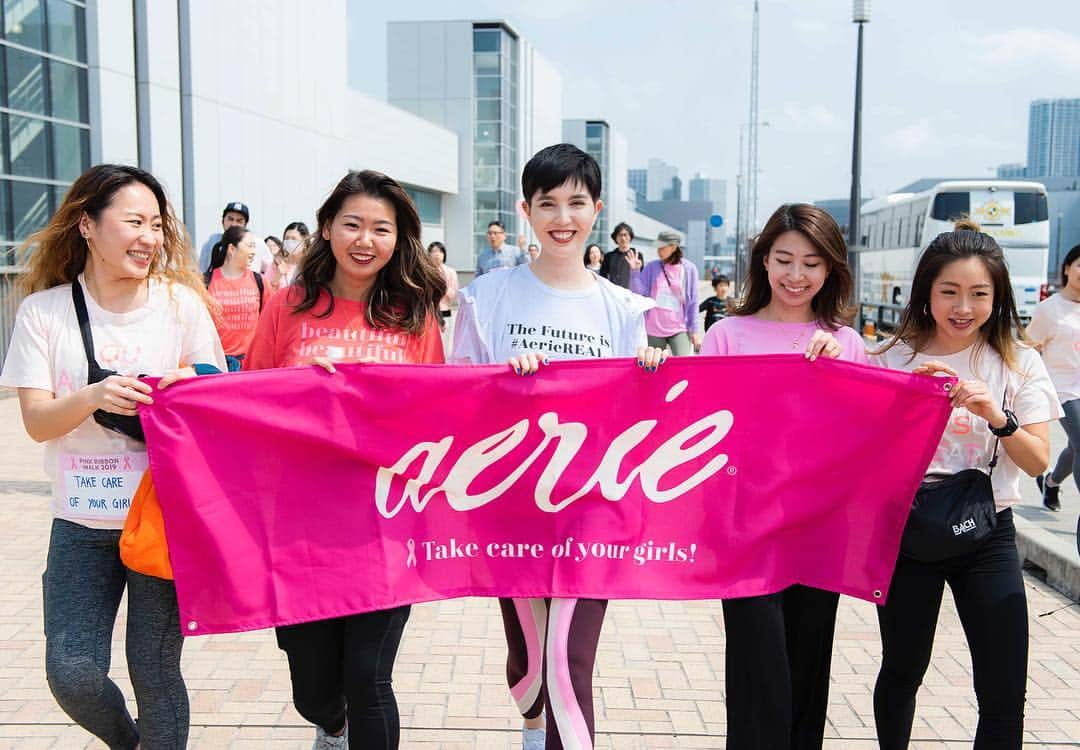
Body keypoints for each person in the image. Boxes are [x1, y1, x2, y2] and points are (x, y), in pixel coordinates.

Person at [0, 164, 226, 750]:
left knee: (154, 672)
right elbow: (34, 421)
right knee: (72, 674)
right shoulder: (45, 313)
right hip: (80, 521)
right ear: (87, 226)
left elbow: (217, 392)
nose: (149, 236)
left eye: (156, 223)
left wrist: (183, 380)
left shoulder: (180, 306)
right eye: (133, 221)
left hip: (163, 517)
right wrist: (94, 395)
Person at [452, 143, 666, 750]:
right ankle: (531, 721)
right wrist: (502, 384)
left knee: (571, 661)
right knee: (529, 662)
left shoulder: (625, 310)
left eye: (576, 202)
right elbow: (454, 397)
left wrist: (649, 373)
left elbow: (647, 418)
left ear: (595, 210)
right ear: (526, 210)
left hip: (593, 504)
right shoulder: (486, 298)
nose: (562, 217)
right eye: (548, 203)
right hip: (507, 500)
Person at [245, 170, 445, 750]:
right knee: (312, 688)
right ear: (327, 227)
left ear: (398, 238)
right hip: (297, 526)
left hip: (385, 522)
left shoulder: (415, 314)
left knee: (368, 675)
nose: (366, 239)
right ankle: (331, 727)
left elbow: (439, 415)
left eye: (381, 229)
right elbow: (247, 400)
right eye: (353, 224)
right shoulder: (287, 306)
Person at [872, 220, 1059, 749]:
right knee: (902, 670)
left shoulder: (1020, 363)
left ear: (997, 297)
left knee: (1003, 686)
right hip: (906, 535)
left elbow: (1038, 458)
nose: (963, 307)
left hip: (989, 534)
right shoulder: (890, 358)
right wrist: (901, 403)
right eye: (948, 291)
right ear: (925, 292)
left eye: (979, 294)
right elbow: (856, 449)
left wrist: (995, 414)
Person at [700, 203, 865, 750]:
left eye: (812, 263)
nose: (797, 276)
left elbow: (867, 438)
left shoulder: (849, 343)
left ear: (831, 269)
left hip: (820, 531)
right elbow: (701, 432)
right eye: (784, 260)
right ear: (763, 261)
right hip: (745, 533)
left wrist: (836, 373)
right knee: (756, 672)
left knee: (807, 667)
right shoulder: (727, 336)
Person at [1026, 243, 1080, 512]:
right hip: (1064, 389)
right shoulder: (1049, 309)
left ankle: (1052, 481)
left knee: (1076, 446)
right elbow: (1027, 346)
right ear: (1068, 268)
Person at [205, 225, 270, 371]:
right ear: (232, 249)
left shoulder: (260, 281)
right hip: (217, 365)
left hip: (251, 365)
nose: (253, 252)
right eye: (249, 246)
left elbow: (269, 323)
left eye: (254, 247)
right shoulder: (206, 283)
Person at [631, 231, 701, 355]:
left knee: (682, 366)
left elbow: (693, 302)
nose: (658, 251)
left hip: (679, 327)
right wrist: (635, 272)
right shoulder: (651, 267)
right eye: (658, 248)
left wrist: (694, 330)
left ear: (673, 247)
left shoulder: (689, 269)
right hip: (653, 328)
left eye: (662, 248)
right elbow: (638, 293)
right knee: (655, 369)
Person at [197, 201, 273, 275]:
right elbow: (201, 271)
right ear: (223, 221)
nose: (234, 224)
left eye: (239, 221)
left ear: (245, 224)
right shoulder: (212, 241)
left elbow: (271, 271)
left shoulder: (257, 243)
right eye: (230, 219)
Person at [598, 221, 642, 288]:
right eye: (620, 235)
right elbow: (602, 277)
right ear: (615, 238)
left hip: (631, 294)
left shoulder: (637, 255)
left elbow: (642, 277)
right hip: (613, 293)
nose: (623, 238)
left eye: (625, 235)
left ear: (630, 237)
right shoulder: (609, 256)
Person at [427, 240, 459, 331]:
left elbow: (453, 296)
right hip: (429, 314)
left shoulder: (451, 272)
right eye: (434, 251)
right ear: (428, 254)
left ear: (444, 254)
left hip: (445, 313)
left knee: (445, 344)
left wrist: (441, 284)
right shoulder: (425, 272)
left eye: (440, 251)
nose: (437, 254)